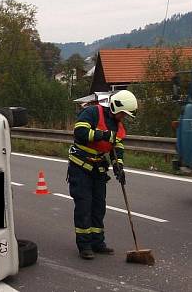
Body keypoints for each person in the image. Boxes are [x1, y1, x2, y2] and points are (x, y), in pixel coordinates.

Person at [67, 90, 138, 260]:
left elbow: (117, 147)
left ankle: (97, 242)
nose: (123, 117)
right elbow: (80, 133)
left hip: (98, 168)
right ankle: (84, 245)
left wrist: (118, 166)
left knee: (99, 207)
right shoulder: (92, 112)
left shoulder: (118, 126)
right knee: (84, 206)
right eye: (123, 113)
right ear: (115, 107)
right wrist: (104, 135)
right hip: (80, 167)